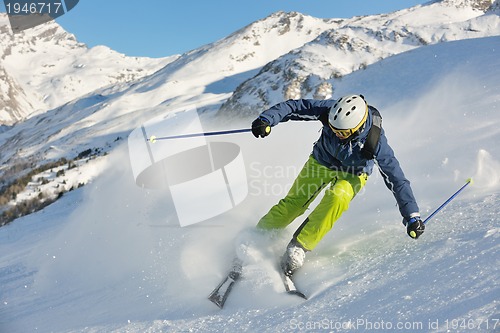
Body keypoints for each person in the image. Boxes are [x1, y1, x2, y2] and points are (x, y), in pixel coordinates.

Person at [251, 94, 425, 277]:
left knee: (338, 197)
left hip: (353, 173)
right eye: (333, 129)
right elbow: (296, 107)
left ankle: (299, 247)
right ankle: (258, 236)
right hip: (322, 161)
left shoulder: (375, 141)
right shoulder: (330, 111)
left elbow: (396, 179)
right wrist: (266, 119)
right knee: (295, 202)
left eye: (341, 133)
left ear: (356, 130)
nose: (336, 134)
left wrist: (412, 216)